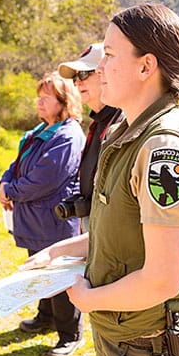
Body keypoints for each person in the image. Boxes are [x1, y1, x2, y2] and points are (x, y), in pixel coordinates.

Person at [20, 3, 179, 356]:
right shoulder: (126, 130)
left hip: (144, 345)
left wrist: (90, 299)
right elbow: (119, 233)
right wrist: (57, 251)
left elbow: (162, 278)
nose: (100, 68)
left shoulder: (163, 148)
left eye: (108, 55)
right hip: (124, 336)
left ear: (146, 66)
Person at [0, 71, 86, 356]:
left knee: (60, 279)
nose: (39, 101)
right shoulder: (39, 131)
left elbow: (43, 180)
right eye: (39, 96)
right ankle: (45, 316)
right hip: (35, 221)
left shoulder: (68, 135)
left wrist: (11, 191)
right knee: (39, 271)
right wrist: (4, 183)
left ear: (64, 101)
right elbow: (17, 164)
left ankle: (70, 334)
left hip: (54, 221)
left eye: (46, 97)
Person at [57, 42, 122, 233]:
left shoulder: (122, 122)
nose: (78, 82)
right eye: (76, 78)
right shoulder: (98, 122)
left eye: (84, 74)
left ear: (106, 72)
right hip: (93, 228)